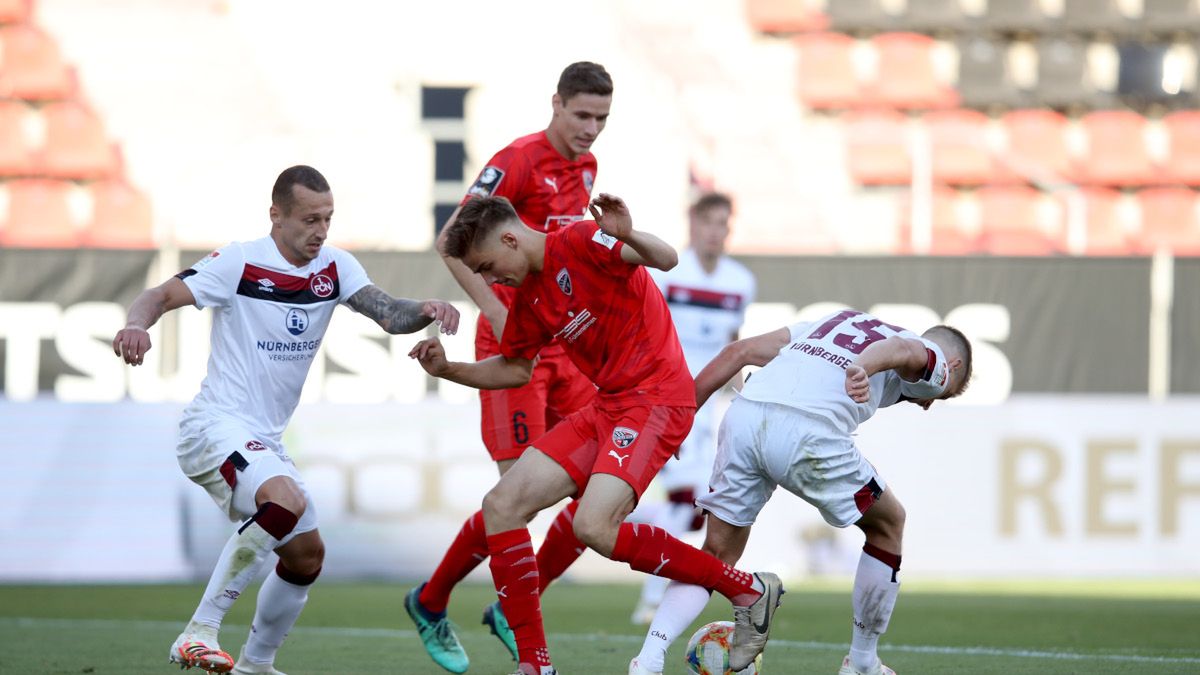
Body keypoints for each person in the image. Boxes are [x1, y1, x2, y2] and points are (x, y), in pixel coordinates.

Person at [410, 194, 783, 675]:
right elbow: (516, 369)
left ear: (509, 238)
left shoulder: (584, 240)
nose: (487, 280)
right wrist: (450, 369)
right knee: (502, 506)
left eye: (486, 266)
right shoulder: (528, 298)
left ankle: (747, 589)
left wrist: (627, 233)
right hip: (607, 405)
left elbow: (666, 259)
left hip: (656, 400)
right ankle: (535, 665)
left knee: (593, 526)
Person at [112, 165, 460, 675]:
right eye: (308, 219)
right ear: (276, 216)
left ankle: (256, 665)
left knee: (306, 556)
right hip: (215, 425)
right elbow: (160, 295)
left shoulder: (335, 267)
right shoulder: (240, 262)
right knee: (287, 502)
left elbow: (388, 313)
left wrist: (426, 308)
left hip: (263, 439)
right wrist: (135, 325)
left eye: (328, 219)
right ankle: (199, 631)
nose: (320, 230)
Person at [405, 61, 612, 673]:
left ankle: (461, 601)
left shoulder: (588, 167)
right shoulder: (517, 160)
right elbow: (451, 240)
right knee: (516, 495)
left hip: (564, 344)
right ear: (556, 104)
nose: (591, 129)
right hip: (513, 345)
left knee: (605, 479)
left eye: (601, 119)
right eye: (581, 115)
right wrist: (498, 310)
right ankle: (456, 608)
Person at [628, 308, 974, 675]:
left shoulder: (831, 323)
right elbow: (904, 349)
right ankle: (861, 663)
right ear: (950, 366)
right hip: (809, 432)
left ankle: (649, 658)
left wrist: (682, 418)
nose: (929, 403)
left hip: (746, 416)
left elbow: (738, 352)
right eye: (944, 394)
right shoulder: (933, 357)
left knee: (715, 553)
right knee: (889, 524)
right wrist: (863, 367)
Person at [629, 191, 756, 625]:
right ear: (694, 225)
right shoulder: (668, 274)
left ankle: (654, 593)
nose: (716, 232)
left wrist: (743, 396)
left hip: (707, 409)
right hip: (666, 399)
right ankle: (653, 596)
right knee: (687, 501)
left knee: (696, 507)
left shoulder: (739, 282)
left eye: (723, 224)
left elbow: (733, 344)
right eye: (709, 223)